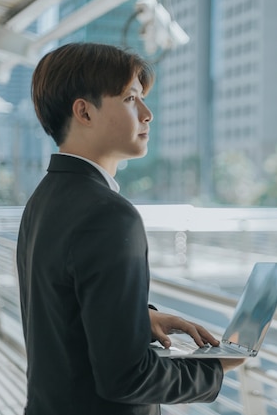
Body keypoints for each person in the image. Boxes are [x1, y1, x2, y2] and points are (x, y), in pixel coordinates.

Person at [16, 42, 244, 415]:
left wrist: (138, 317)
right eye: (130, 99)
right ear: (84, 111)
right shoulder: (109, 213)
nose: (147, 113)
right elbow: (126, 378)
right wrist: (213, 370)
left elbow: (63, 308)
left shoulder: (44, 198)